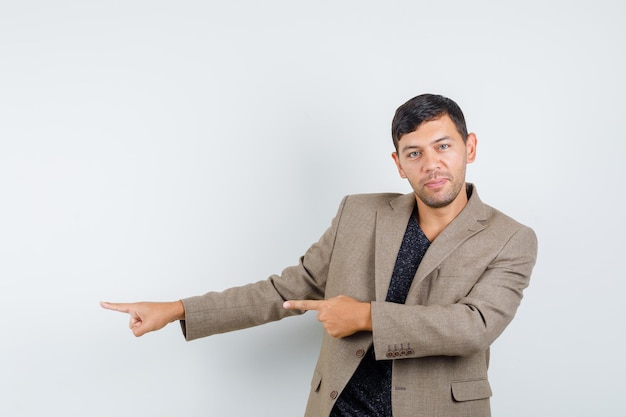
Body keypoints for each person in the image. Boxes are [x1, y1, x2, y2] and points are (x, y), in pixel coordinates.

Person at [101, 93, 538, 417]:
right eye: (414, 153)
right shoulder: (359, 213)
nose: (431, 164)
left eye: (443, 146)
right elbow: (286, 290)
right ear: (398, 163)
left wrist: (365, 316)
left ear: (470, 147)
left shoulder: (510, 238)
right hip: (339, 408)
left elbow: (474, 327)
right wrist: (178, 309)